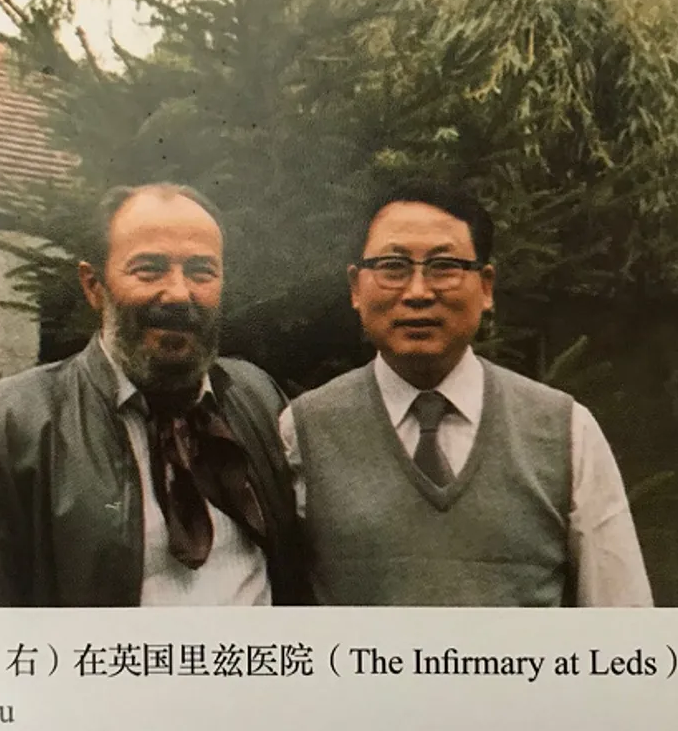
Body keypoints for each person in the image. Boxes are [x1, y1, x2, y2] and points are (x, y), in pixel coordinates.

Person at [280, 179, 653, 606]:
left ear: (486, 286)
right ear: (355, 288)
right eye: (392, 267)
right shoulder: (303, 432)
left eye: (444, 267)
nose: (418, 293)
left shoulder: (565, 431)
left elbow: (622, 619)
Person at [0, 183, 310, 606]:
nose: (179, 293)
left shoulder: (256, 397)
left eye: (201, 271)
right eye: (149, 269)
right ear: (94, 286)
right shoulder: (6, 428)